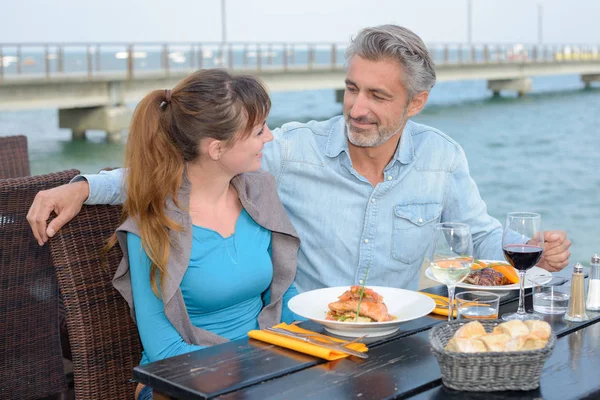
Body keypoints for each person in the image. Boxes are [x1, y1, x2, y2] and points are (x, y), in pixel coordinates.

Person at [27, 25, 571, 294]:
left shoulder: (443, 158)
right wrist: (83, 185)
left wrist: (529, 251)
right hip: (303, 341)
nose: (357, 109)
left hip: (399, 338)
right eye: (351, 88)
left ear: (416, 102)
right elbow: (193, 167)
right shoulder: (294, 150)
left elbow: (475, 240)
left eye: (378, 97)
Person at [101, 69, 300, 399]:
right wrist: (254, 370)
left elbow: (283, 290)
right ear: (217, 148)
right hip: (186, 378)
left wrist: (320, 333)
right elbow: (163, 348)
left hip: (265, 367)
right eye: (257, 131)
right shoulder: (154, 223)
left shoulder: (259, 192)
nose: (269, 138)